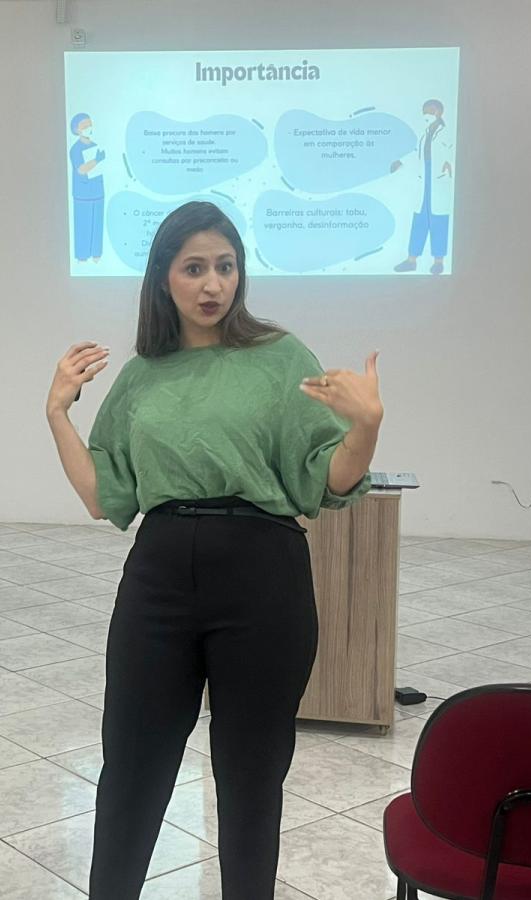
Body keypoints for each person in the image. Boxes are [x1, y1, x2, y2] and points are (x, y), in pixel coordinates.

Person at [45, 201, 383, 899]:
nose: (213, 284)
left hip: (263, 575)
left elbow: (327, 479)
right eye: (194, 268)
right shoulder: (142, 375)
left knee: (251, 776)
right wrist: (56, 414)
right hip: (159, 575)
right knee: (131, 769)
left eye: (225, 267)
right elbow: (105, 497)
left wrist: (366, 427)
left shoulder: (281, 357)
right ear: (162, 277)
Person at [391, 99, 455, 274]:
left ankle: (438, 262)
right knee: (420, 220)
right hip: (424, 179)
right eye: (424, 111)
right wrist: (400, 162)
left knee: (438, 221)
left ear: (438, 112)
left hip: (438, 180)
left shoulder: (447, 133)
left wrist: (449, 163)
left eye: (429, 111)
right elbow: (416, 154)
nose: (426, 114)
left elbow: (453, 151)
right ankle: (411, 261)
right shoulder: (424, 134)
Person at [70, 112, 106, 263]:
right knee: (83, 226)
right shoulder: (75, 149)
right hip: (82, 195)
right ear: (76, 130)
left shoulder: (95, 146)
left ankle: (96, 255)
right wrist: (97, 160)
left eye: (90, 125)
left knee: (97, 226)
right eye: (85, 126)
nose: (89, 128)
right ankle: (82, 257)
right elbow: (81, 169)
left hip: (98, 192)